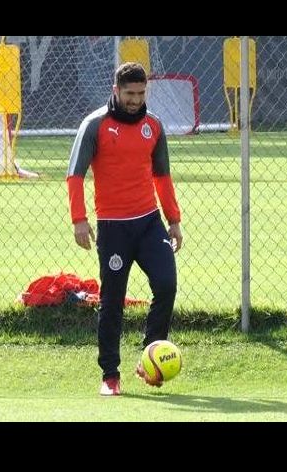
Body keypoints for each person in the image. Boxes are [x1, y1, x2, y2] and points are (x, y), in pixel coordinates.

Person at [67, 62, 183, 396]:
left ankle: (150, 358)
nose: (135, 100)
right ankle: (110, 376)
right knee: (112, 299)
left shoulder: (154, 127)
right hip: (113, 228)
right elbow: (75, 175)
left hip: (149, 223)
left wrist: (173, 221)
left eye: (141, 93)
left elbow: (162, 177)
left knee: (166, 284)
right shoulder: (95, 125)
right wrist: (79, 219)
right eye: (129, 93)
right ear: (116, 90)